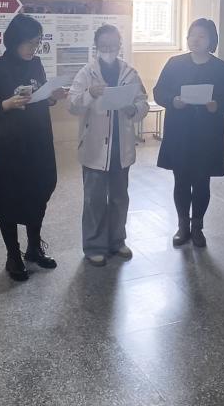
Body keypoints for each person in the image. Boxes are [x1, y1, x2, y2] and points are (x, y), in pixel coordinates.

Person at [0, 14, 67, 281]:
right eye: (29, 42)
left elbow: (40, 95)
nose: (33, 48)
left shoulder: (36, 64)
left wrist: (51, 97)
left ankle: (34, 247)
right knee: (9, 198)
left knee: (40, 190)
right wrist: (7, 104)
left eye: (37, 42)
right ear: (15, 40)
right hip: (10, 143)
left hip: (38, 139)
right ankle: (13, 255)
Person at [153, 18, 224, 248]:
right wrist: (173, 100)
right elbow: (159, 91)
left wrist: (217, 105)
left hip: (207, 135)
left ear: (212, 40)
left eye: (202, 36)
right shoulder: (175, 64)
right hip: (180, 133)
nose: (196, 39)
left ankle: (197, 227)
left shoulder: (222, 68)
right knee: (181, 180)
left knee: (202, 182)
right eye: (192, 35)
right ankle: (182, 226)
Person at [68, 25, 149, 266]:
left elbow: (143, 103)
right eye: (104, 46)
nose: (108, 50)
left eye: (113, 45)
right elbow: (72, 105)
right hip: (94, 148)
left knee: (119, 198)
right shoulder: (86, 73)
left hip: (120, 148)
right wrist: (89, 94)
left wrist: (133, 109)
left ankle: (117, 241)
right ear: (96, 47)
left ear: (120, 45)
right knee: (94, 200)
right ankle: (94, 245)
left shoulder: (130, 73)